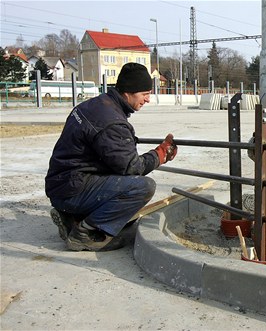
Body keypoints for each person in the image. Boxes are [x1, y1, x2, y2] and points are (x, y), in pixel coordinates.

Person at [45, 62, 177, 251]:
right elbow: (132, 167)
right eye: (145, 94)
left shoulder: (95, 105)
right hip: (71, 190)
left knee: (120, 181)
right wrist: (160, 155)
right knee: (142, 187)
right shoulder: (111, 121)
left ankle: (73, 219)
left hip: (63, 184)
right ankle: (86, 234)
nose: (148, 99)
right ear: (128, 92)